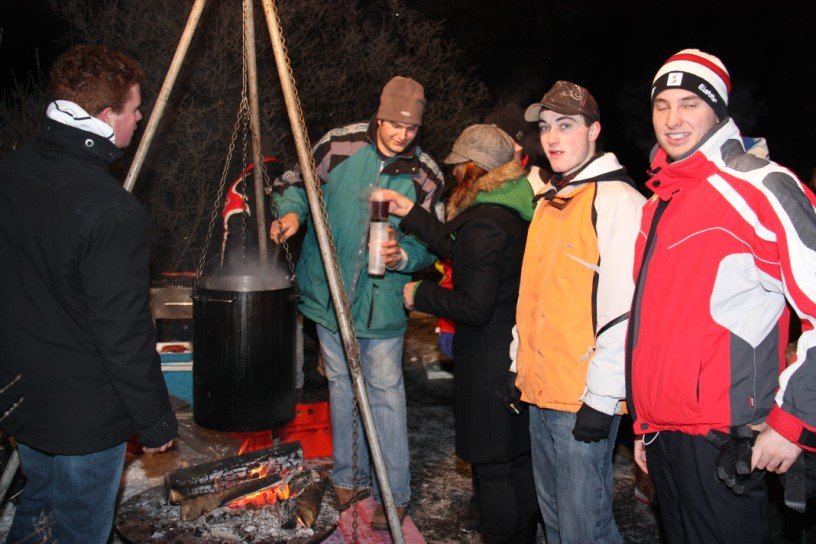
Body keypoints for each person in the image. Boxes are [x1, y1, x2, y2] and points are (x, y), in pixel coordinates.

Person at [627, 48, 816, 543]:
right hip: (664, 435)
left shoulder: (761, 186)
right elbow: (651, 327)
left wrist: (794, 421)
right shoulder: (658, 203)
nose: (672, 119)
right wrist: (644, 423)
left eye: (689, 103)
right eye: (662, 105)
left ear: (717, 111)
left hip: (724, 441)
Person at [0, 44, 178, 543]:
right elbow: (122, 333)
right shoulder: (112, 212)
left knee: (39, 507)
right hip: (83, 416)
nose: (140, 117)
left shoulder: (10, 173)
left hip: (21, 395)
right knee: (79, 528)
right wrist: (155, 421)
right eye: (134, 108)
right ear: (105, 116)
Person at [269, 76, 443, 529]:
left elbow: (435, 241)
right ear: (379, 116)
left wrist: (405, 256)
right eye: (395, 124)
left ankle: (395, 492)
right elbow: (293, 183)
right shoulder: (338, 146)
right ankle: (349, 477)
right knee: (342, 385)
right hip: (329, 293)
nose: (402, 135)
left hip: (381, 305)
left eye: (411, 128)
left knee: (385, 395)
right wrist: (292, 213)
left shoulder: (425, 173)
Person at [378, 124, 538, 543]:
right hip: (512, 356)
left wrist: (420, 293)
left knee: (494, 469)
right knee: (517, 462)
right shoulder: (509, 209)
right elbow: (458, 248)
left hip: (488, 365)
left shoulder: (486, 223)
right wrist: (409, 211)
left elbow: (474, 306)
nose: (453, 173)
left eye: (458, 165)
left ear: (474, 168)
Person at [512, 80, 645, 544]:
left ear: (594, 131)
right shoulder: (551, 202)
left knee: (584, 527)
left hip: (583, 400)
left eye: (565, 126)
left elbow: (624, 311)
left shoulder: (618, 202)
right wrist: (517, 363)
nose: (551, 138)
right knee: (555, 521)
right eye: (545, 127)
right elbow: (533, 296)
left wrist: (603, 399)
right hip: (542, 392)